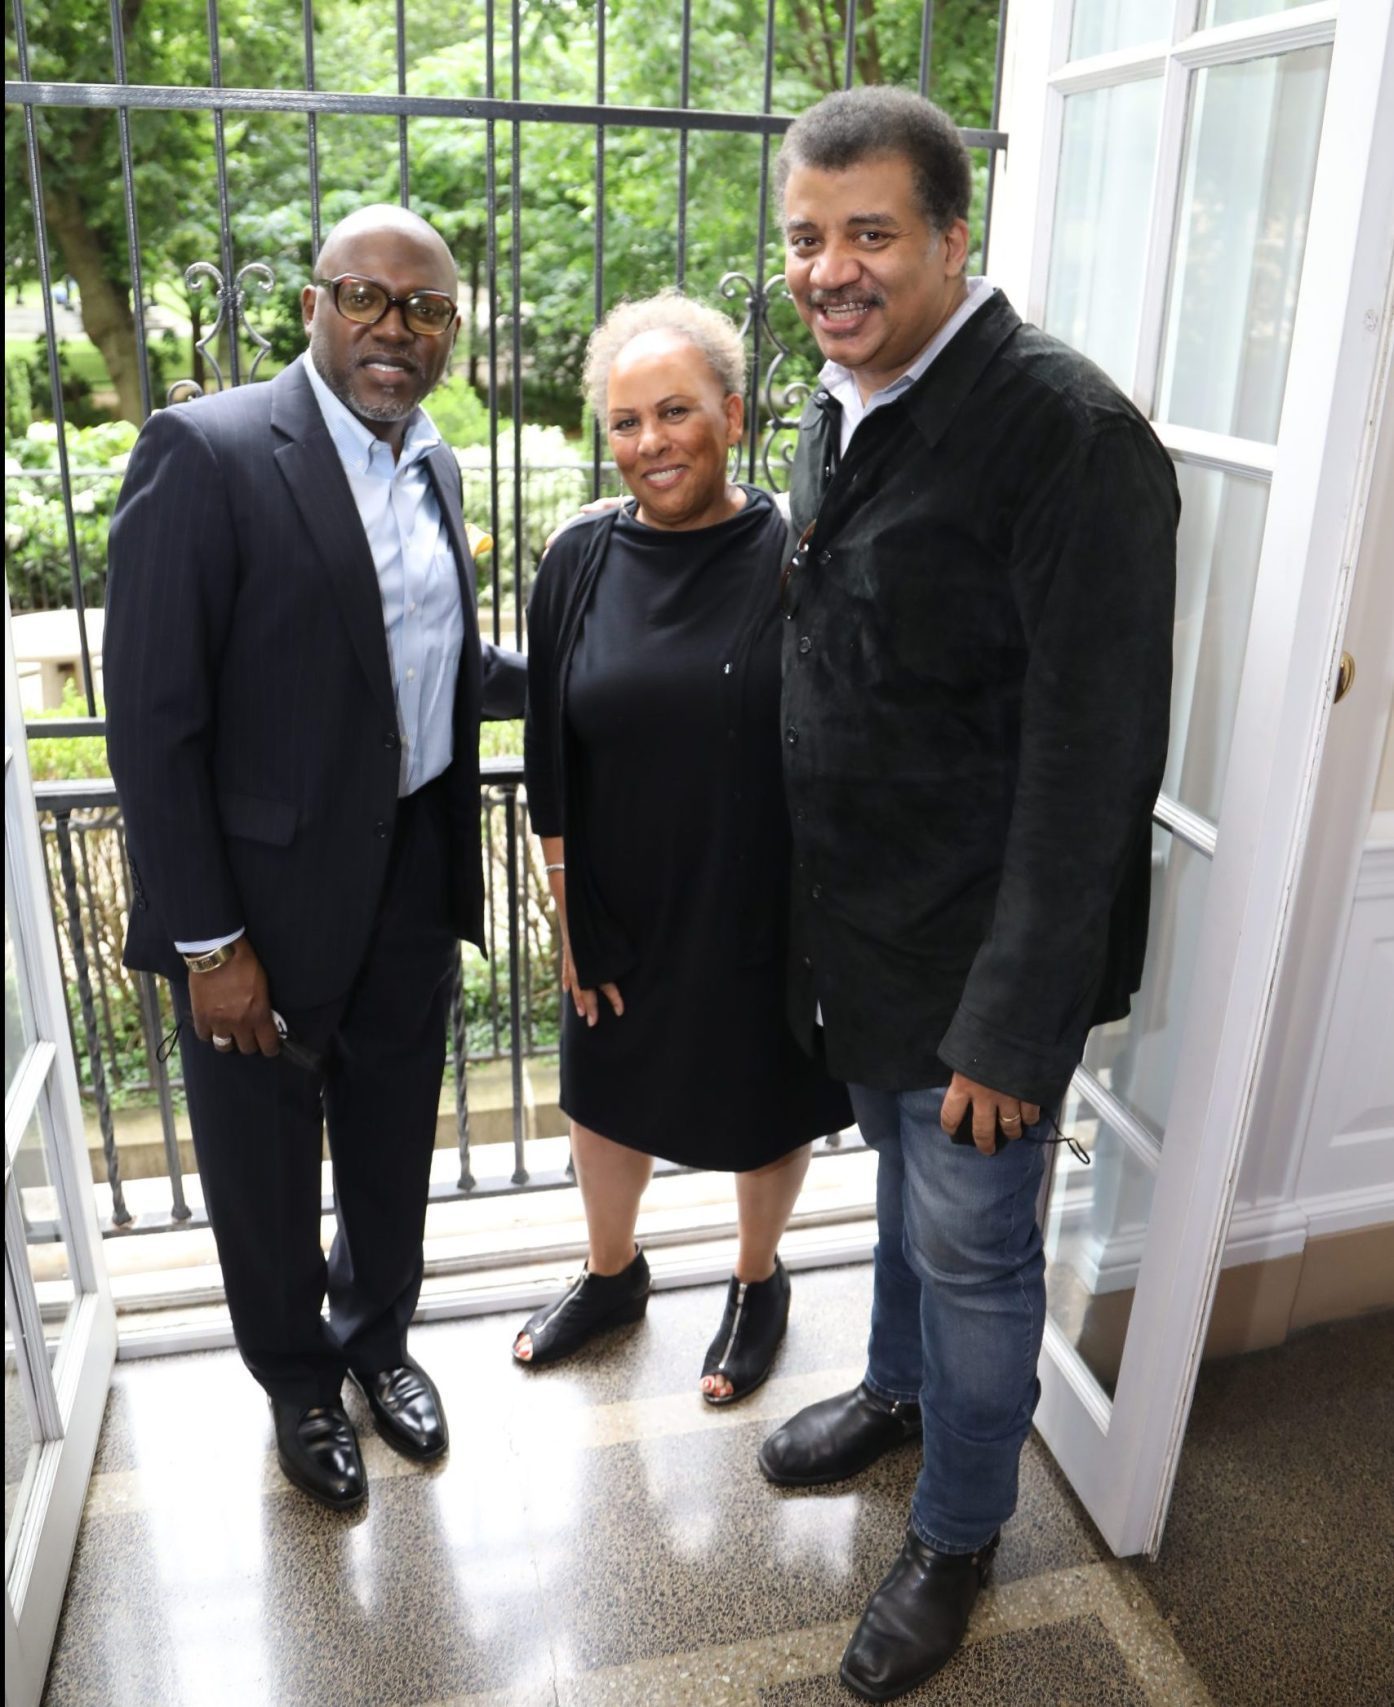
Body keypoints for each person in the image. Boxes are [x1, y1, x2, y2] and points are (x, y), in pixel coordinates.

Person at [755, 88, 1178, 1700]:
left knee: (978, 1253)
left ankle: (956, 1530)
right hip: (863, 934)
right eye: (806, 237)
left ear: (950, 235)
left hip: (984, 963)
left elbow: (1090, 768)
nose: (829, 270)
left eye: (867, 233)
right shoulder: (847, 398)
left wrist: (1008, 1027)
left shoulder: (1066, 434)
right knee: (902, 1206)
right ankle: (895, 1388)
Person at [104, 205, 527, 1510]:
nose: (395, 327)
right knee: (265, 1169)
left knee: (393, 1144)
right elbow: (154, 725)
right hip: (259, 912)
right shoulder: (209, 450)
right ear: (312, 305)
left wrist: (605, 657)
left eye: (425, 308)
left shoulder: (434, 463)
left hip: (411, 881)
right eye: (365, 297)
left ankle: (378, 1344)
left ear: (449, 330)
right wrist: (207, 944)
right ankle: (297, 1380)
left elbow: (432, 662)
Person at [516, 292, 851, 1400]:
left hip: (758, 896)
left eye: (676, 412)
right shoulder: (577, 559)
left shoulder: (798, 551)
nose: (651, 441)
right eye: (626, 421)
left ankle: (757, 1279)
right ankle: (611, 1273)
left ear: (733, 416)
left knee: (764, 1098)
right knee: (604, 1090)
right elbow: (549, 753)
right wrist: (570, 912)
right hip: (619, 894)